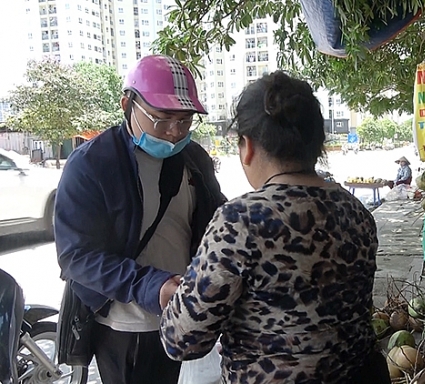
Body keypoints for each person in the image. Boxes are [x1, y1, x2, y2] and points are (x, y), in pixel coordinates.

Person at [159, 71, 390, 384]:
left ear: (248, 146)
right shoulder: (356, 213)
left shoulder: (240, 220)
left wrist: (176, 297)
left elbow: (182, 339)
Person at [54, 55, 226, 384]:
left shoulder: (194, 160)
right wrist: (149, 285)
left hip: (176, 318)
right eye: (162, 119)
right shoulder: (91, 165)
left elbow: (214, 222)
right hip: (122, 324)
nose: (176, 132)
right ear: (127, 104)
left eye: (185, 120)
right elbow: (75, 257)